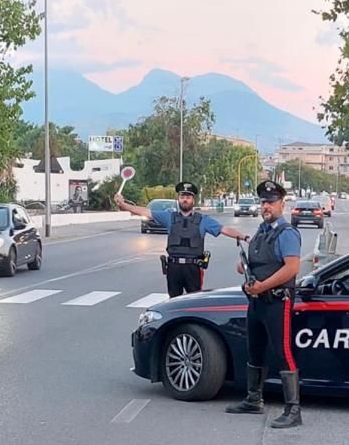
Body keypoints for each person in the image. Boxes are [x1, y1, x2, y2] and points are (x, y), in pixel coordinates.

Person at [225, 179, 303, 428]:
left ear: (281, 203)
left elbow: (291, 269)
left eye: (270, 202)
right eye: (263, 202)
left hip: (277, 302)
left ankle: (293, 410)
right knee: (255, 349)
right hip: (257, 301)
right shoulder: (261, 231)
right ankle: (253, 399)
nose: (266, 206)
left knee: (283, 353)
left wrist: (263, 285)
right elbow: (256, 262)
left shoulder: (287, 233)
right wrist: (245, 269)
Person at [114, 181, 248, 297]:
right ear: (178, 199)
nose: (185, 199)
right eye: (182, 196)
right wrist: (124, 205)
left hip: (193, 268)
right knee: (173, 303)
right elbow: (145, 212)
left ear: (193, 200)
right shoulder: (169, 217)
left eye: (188, 197)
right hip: (174, 268)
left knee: (194, 303)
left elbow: (225, 230)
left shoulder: (203, 220)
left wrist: (245, 237)